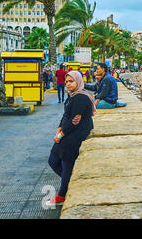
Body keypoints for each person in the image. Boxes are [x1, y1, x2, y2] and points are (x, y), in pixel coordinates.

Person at [46, 71, 96, 206]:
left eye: (71, 81)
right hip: (70, 129)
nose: (68, 84)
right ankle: (72, 182)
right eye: (67, 81)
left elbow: (75, 120)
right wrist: (59, 129)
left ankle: (62, 193)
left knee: (66, 158)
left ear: (78, 82)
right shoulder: (72, 96)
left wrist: (61, 135)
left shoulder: (80, 97)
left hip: (78, 132)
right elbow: (65, 115)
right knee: (53, 159)